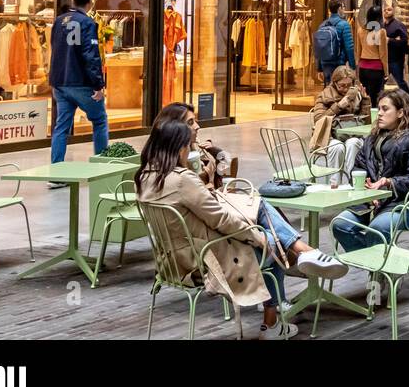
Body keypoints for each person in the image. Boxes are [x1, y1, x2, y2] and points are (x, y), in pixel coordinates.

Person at [135, 118, 345, 339]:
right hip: (206, 262)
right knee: (269, 241)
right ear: (178, 149)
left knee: (266, 234)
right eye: (187, 146)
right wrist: (255, 236)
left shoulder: (144, 177)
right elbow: (219, 220)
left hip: (170, 262)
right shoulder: (181, 180)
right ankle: (300, 258)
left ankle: (299, 257)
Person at [329, 89, 409, 253]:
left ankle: (380, 273)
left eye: (385, 109)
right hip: (376, 202)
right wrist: (368, 190)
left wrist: (389, 183)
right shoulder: (373, 137)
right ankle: (380, 266)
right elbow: (360, 166)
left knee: (378, 227)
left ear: (400, 112)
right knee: (340, 224)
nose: (379, 114)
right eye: (379, 109)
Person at [48, 0, 109, 165]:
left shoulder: (58, 22)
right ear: (90, 3)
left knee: (61, 127)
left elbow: (55, 50)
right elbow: (91, 56)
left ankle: (56, 173)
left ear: (73, 0)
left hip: (60, 82)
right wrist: (98, 85)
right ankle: (101, 166)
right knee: (99, 120)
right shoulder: (88, 23)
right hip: (81, 83)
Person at [309, 65, 370, 178]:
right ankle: (335, 184)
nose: (346, 89)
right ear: (335, 83)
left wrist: (365, 100)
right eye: (342, 85)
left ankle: (354, 180)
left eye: (349, 85)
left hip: (353, 135)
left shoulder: (357, 94)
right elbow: (318, 120)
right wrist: (338, 106)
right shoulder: (325, 95)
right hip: (330, 136)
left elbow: (366, 122)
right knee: (337, 147)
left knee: (353, 143)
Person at [155, 102, 232, 188]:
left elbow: (225, 168)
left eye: (195, 121)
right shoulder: (167, 163)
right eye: (190, 122)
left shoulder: (196, 145)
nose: (197, 126)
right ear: (174, 128)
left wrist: (217, 153)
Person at [314, 0, 355, 83]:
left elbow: (319, 48)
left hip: (325, 64)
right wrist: (352, 66)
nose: (344, 10)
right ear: (339, 8)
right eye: (343, 7)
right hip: (339, 64)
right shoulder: (344, 25)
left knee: (328, 90)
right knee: (339, 89)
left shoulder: (322, 25)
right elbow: (349, 47)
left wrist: (319, 68)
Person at [354, 4, 387, 107]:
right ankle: (375, 119)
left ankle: (366, 118)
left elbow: (358, 51)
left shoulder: (360, 30)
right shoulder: (381, 32)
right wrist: (386, 71)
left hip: (363, 68)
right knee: (376, 98)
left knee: (365, 96)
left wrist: (357, 68)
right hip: (376, 69)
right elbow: (383, 54)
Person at [382, 2, 409, 96]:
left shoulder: (399, 25)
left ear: (394, 11)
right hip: (384, 59)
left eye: (389, 10)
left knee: (400, 82)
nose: (386, 12)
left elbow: (405, 41)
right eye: (385, 10)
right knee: (381, 82)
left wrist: (390, 40)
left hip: (396, 60)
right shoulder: (382, 26)